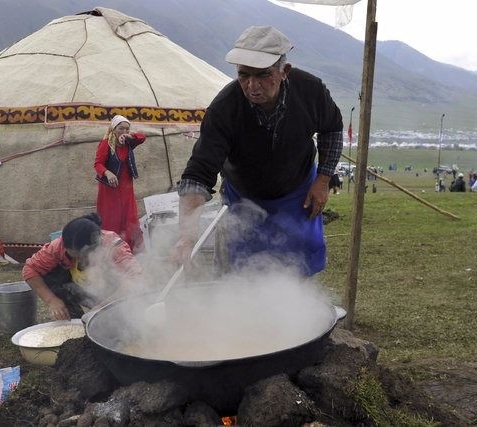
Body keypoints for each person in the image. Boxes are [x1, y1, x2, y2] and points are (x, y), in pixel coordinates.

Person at [175, 26, 343, 276]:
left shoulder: (311, 91)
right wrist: (186, 238)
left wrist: (323, 178)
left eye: (263, 75)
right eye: (244, 75)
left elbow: (333, 128)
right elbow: (199, 172)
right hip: (244, 195)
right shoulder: (225, 108)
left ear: (284, 71)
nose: (252, 86)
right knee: (241, 264)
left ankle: (298, 307)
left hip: (298, 192)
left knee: (299, 260)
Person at [22, 212, 144, 320]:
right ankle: (75, 319)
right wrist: (52, 300)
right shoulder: (59, 246)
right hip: (81, 289)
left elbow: (135, 279)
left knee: (117, 318)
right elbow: (30, 269)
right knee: (50, 274)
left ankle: (111, 316)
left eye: (80, 255)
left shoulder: (114, 247)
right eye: (71, 254)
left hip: (111, 294)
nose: (77, 260)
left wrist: (103, 307)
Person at [94, 115, 146, 253]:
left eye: (126, 129)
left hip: (127, 189)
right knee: (112, 220)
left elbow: (142, 137)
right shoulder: (106, 143)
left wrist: (131, 136)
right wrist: (108, 173)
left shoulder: (129, 142)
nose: (123, 131)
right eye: (121, 128)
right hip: (110, 191)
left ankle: (133, 253)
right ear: (113, 128)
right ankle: (112, 253)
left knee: (130, 220)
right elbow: (98, 164)